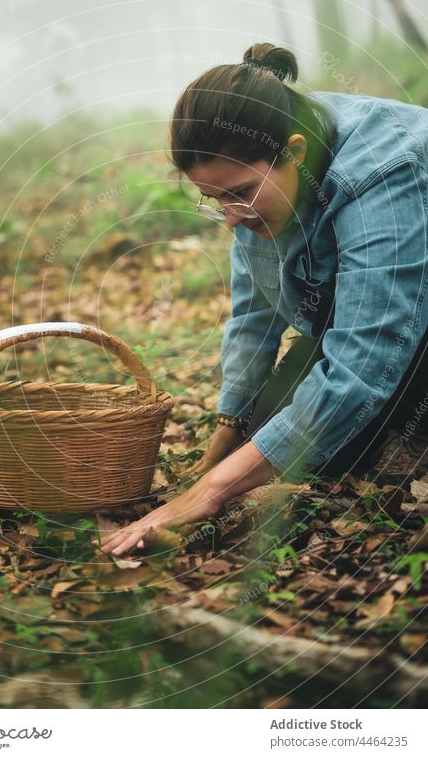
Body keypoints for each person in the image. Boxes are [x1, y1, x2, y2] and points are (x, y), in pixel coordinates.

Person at [100, 41, 428, 557]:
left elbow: (366, 360)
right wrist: (226, 432)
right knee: (272, 428)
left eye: (240, 193)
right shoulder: (259, 182)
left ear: (295, 152)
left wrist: (208, 495)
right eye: (214, 199)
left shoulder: (380, 173)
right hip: (382, 316)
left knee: (339, 431)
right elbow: (253, 314)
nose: (230, 217)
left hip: (412, 320)